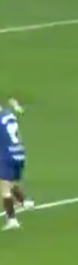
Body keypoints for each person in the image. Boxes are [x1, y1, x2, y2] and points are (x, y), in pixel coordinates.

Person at [0, 98, 31, 230]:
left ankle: (12, 220)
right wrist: (16, 105)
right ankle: (25, 201)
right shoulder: (8, 114)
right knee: (11, 182)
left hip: (6, 154)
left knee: (4, 187)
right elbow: (17, 109)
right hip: (19, 152)